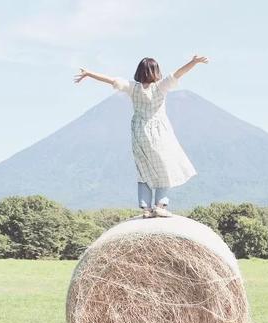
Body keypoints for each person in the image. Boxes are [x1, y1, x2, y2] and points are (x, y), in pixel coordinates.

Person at [74, 55, 208, 218]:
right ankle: (160, 205)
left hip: (138, 133)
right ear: (156, 71)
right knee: (165, 168)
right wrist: (193, 62)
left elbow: (111, 80)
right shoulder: (161, 86)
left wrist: (89, 73)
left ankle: (146, 209)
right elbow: (178, 73)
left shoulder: (133, 88)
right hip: (159, 133)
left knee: (143, 169)